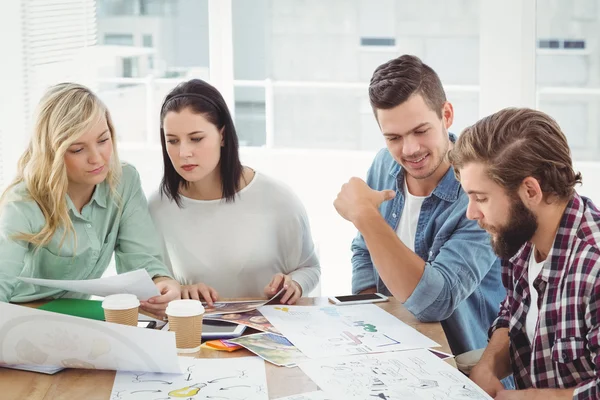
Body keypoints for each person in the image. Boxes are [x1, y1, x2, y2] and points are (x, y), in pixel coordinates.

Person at [333, 54, 505, 356]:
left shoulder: (480, 194)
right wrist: (373, 317)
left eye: (420, 131)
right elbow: (364, 250)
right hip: (394, 353)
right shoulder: (383, 165)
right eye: (394, 137)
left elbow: (437, 301)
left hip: (465, 366)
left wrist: (364, 216)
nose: (409, 149)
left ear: (447, 115)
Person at [452, 108, 600, 399]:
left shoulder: (593, 269)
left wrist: (527, 398)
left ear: (531, 191)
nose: (471, 213)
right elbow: (514, 312)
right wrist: (489, 365)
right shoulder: (520, 238)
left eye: (481, 198)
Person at [0, 83, 180, 316]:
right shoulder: (22, 202)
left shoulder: (124, 180)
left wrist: (161, 282)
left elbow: (142, 259)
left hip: (78, 317)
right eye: (77, 149)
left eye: (103, 140)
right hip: (19, 315)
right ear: (52, 152)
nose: (97, 158)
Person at [148, 79, 320, 305]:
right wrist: (181, 290)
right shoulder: (158, 207)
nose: (183, 153)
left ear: (223, 135)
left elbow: (310, 268)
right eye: (172, 141)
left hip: (269, 333)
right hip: (195, 334)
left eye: (196, 139)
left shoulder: (277, 199)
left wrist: (293, 285)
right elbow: (151, 284)